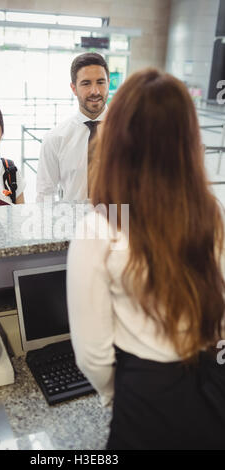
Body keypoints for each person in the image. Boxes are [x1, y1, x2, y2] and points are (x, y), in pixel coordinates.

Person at [67, 68, 225, 449]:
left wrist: (117, 398)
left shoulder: (100, 228)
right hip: (211, 388)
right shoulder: (211, 213)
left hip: (145, 397)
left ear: (118, 140)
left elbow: (93, 355)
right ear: (188, 140)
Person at [36, 52, 110, 202]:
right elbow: (45, 194)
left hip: (120, 221)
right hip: (72, 222)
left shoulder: (130, 134)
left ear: (108, 83)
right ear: (74, 88)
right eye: (86, 83)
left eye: (101, 82)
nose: (95, 91)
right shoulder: (55, 138)